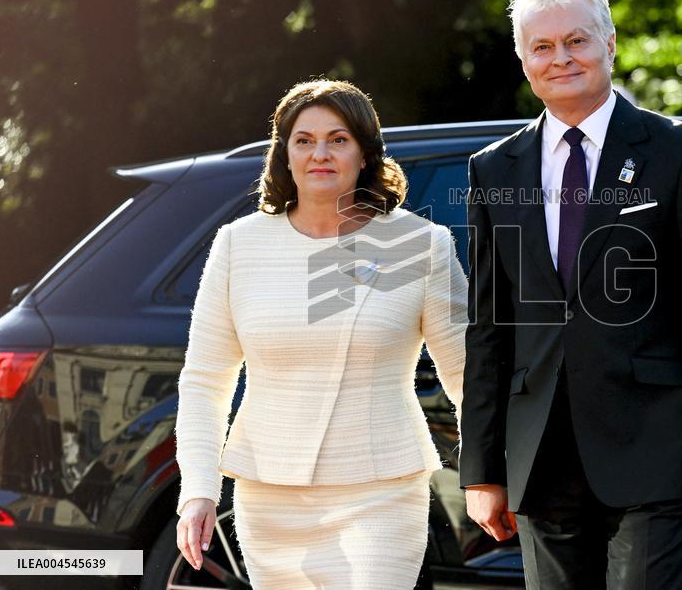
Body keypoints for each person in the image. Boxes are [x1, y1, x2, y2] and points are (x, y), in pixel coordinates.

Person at [459, 0, 682, 589]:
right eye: (542, 47)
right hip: (540, 458)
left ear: (611, 43)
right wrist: (482, 470)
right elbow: (489, 328)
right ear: (523, 60)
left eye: (577, 40)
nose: (561, 58)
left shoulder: (680, 153)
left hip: (655, 450)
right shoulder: (494, 169)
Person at [173, 79, 467, 588]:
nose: (320, 154)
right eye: (304, 141)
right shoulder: (237, 246)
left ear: (365, 153)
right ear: (284, 155)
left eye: (338, 139)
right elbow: (204, 379)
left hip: (382, 491)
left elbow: (467, 373)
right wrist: (199, 488)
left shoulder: (421, 245)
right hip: (269, 497)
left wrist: (489, 473)